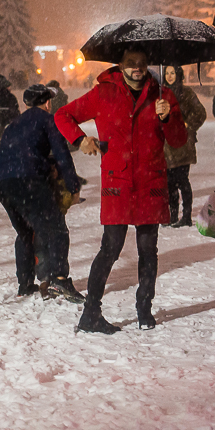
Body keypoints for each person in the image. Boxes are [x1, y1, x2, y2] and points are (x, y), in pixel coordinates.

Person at [55, 47, 187, 333]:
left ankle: (144, 309)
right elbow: (63, 115)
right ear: (121, 65)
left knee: (148, 250)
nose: (137, 68)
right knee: (110, 249)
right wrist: (80, 140)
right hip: (118, 184)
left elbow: (178, 141)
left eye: (141, 63)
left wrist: (168, 118)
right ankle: (91, 313)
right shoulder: (104, 93)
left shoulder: (163, 96)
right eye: (130, 63)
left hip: (151, 183)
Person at [0, 84, 84, 303]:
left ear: (26, 104)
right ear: (48, 102)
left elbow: (22, 152)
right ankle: (59, 279)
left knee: (25, 232)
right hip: (29, 179)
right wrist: (72, 184)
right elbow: (62, 154)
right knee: (57, 229)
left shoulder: (12, 124)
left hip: (2, 182)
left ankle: (25, 284)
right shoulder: (47, 119)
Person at [163, 65, 207, 228]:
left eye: (172, 73)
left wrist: (187, 125)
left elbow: (200, 113)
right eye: (166, 73)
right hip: (167, 144)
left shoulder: (186, 93)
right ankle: (172, 215)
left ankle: (186, 215)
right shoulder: (160, 93)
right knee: (169, 182)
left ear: (178, 74)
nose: (169, 76)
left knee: (182, 180)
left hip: (183, 143)